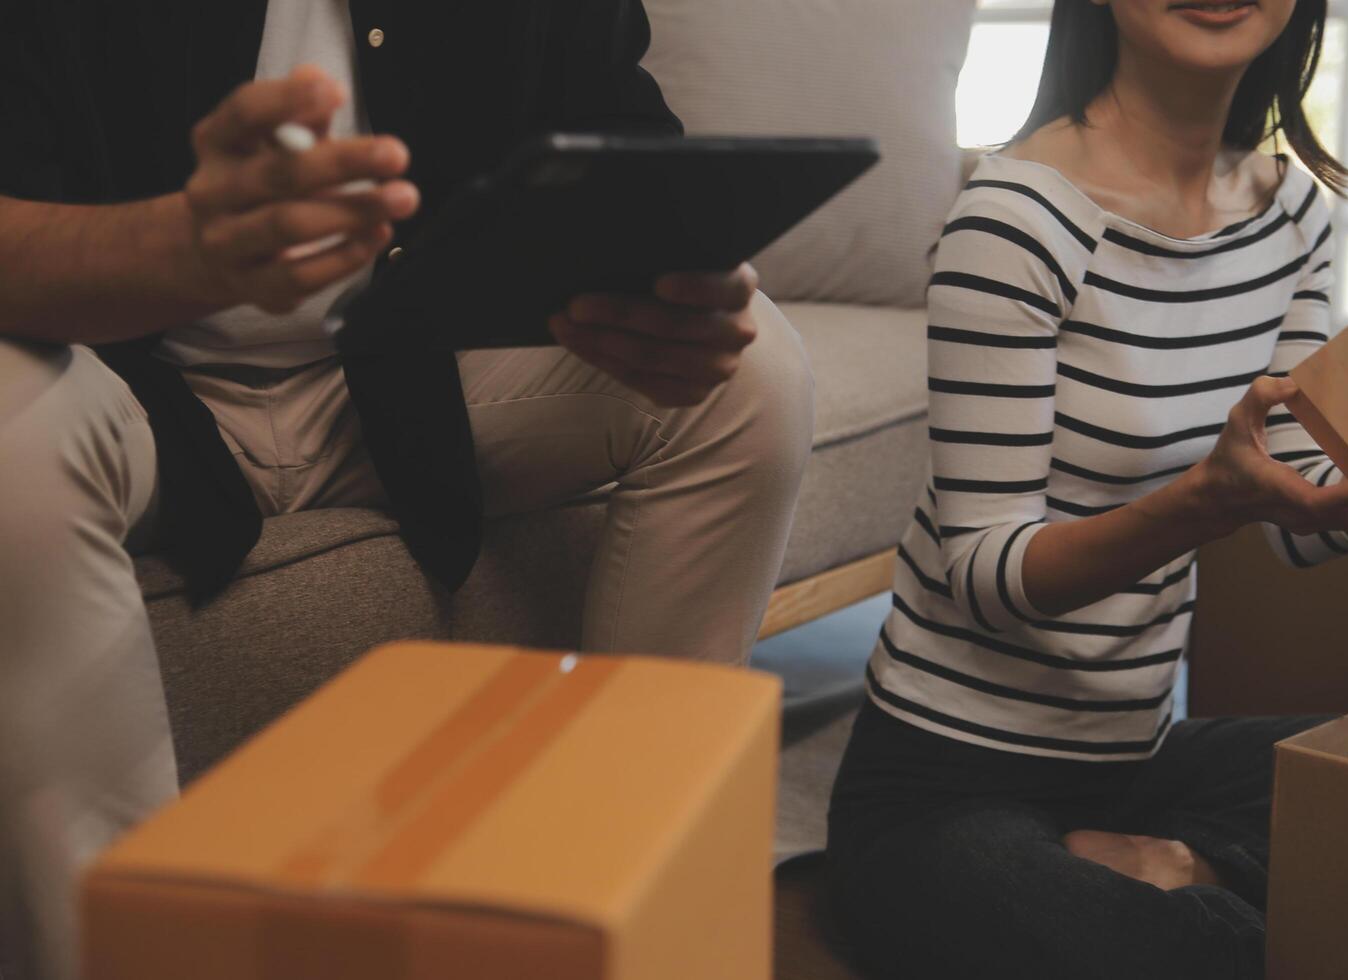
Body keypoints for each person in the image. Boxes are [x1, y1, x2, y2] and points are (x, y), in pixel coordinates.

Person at [0, 2, 814, 978]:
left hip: (404, 376)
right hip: (120, 381)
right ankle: (122, 949)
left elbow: (622, 137)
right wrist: (177, 248)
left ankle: (626, 913)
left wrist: (661, 281)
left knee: (753, 368)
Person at [825, 1, 1348, 978]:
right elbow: (989, 576)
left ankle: (1176, 856)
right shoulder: (1017, 218)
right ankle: (1177, 881)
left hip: (1138, 765)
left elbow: (1306, 517)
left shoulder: (1290, 215)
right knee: (1243, 943)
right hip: (942, 789)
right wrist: (1206, 499)